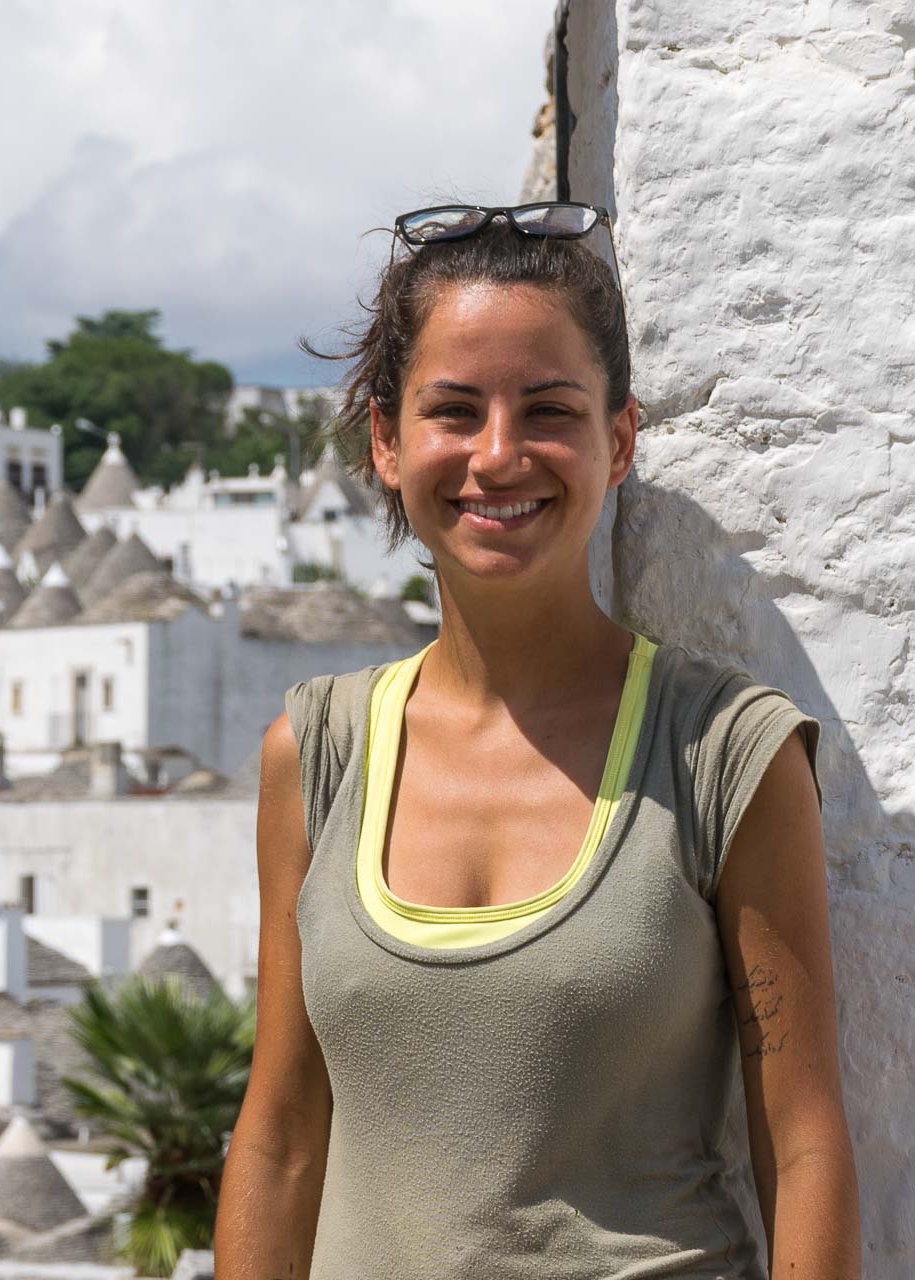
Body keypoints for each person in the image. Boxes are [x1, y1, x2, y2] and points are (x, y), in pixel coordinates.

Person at [214, 204, 861, 1278]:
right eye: (454, 410)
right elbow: (281, 1139)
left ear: (618, 440)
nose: (500, 456)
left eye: (549, 410)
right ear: (386, 440)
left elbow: (801, 1144)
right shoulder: (315, 753)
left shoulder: (723, 753)